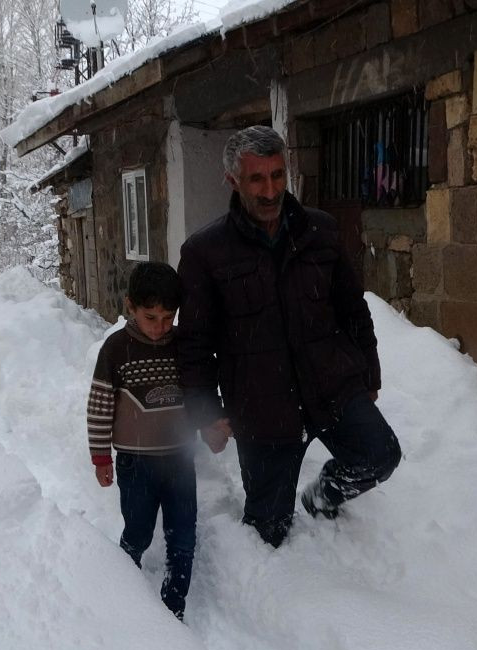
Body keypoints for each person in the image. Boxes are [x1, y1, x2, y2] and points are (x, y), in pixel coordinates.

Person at [176, 125, 401, 548]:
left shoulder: (321, 232)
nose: (269, 190)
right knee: (268, 532)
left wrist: (369, 375)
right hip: (263, 408)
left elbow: (354, 309)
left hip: (331, 385)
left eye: (277, 175)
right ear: (233, 181)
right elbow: (194, 344)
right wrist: (207, 412)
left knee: (380, 455)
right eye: (256, 179)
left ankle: (322, 497)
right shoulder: (205, 253)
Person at [86, 262, 196, 619]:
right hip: (136, 464)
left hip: (181, 459)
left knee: (183, 537)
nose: (160, 327)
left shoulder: (183, 346)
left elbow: (201, 393)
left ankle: (173, 609)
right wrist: (101, 457)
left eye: (168, 317)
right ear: (130, 306)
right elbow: (100, 407)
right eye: (151, 317)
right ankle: (125, 593)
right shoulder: (116, 350)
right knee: (138, 532)